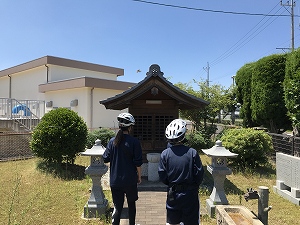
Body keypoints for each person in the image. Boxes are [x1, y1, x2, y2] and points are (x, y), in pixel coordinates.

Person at [158, 119, 204, 225]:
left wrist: (171, 184)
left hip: (173, 195)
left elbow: (162, 175)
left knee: (173, 222)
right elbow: (199, 175)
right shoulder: (192, 153)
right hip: (190, 194)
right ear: (183, 135)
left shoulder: (165, 154)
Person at [103, 112, 143, 225]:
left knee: (118, 206)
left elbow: (105, 158)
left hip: (115, 180)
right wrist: (139, 176)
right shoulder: (134, 142)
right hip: (130, 179)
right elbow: (138, 163)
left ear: (119, 126)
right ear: (130, 127)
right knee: (131, 205)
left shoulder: (112, 141)